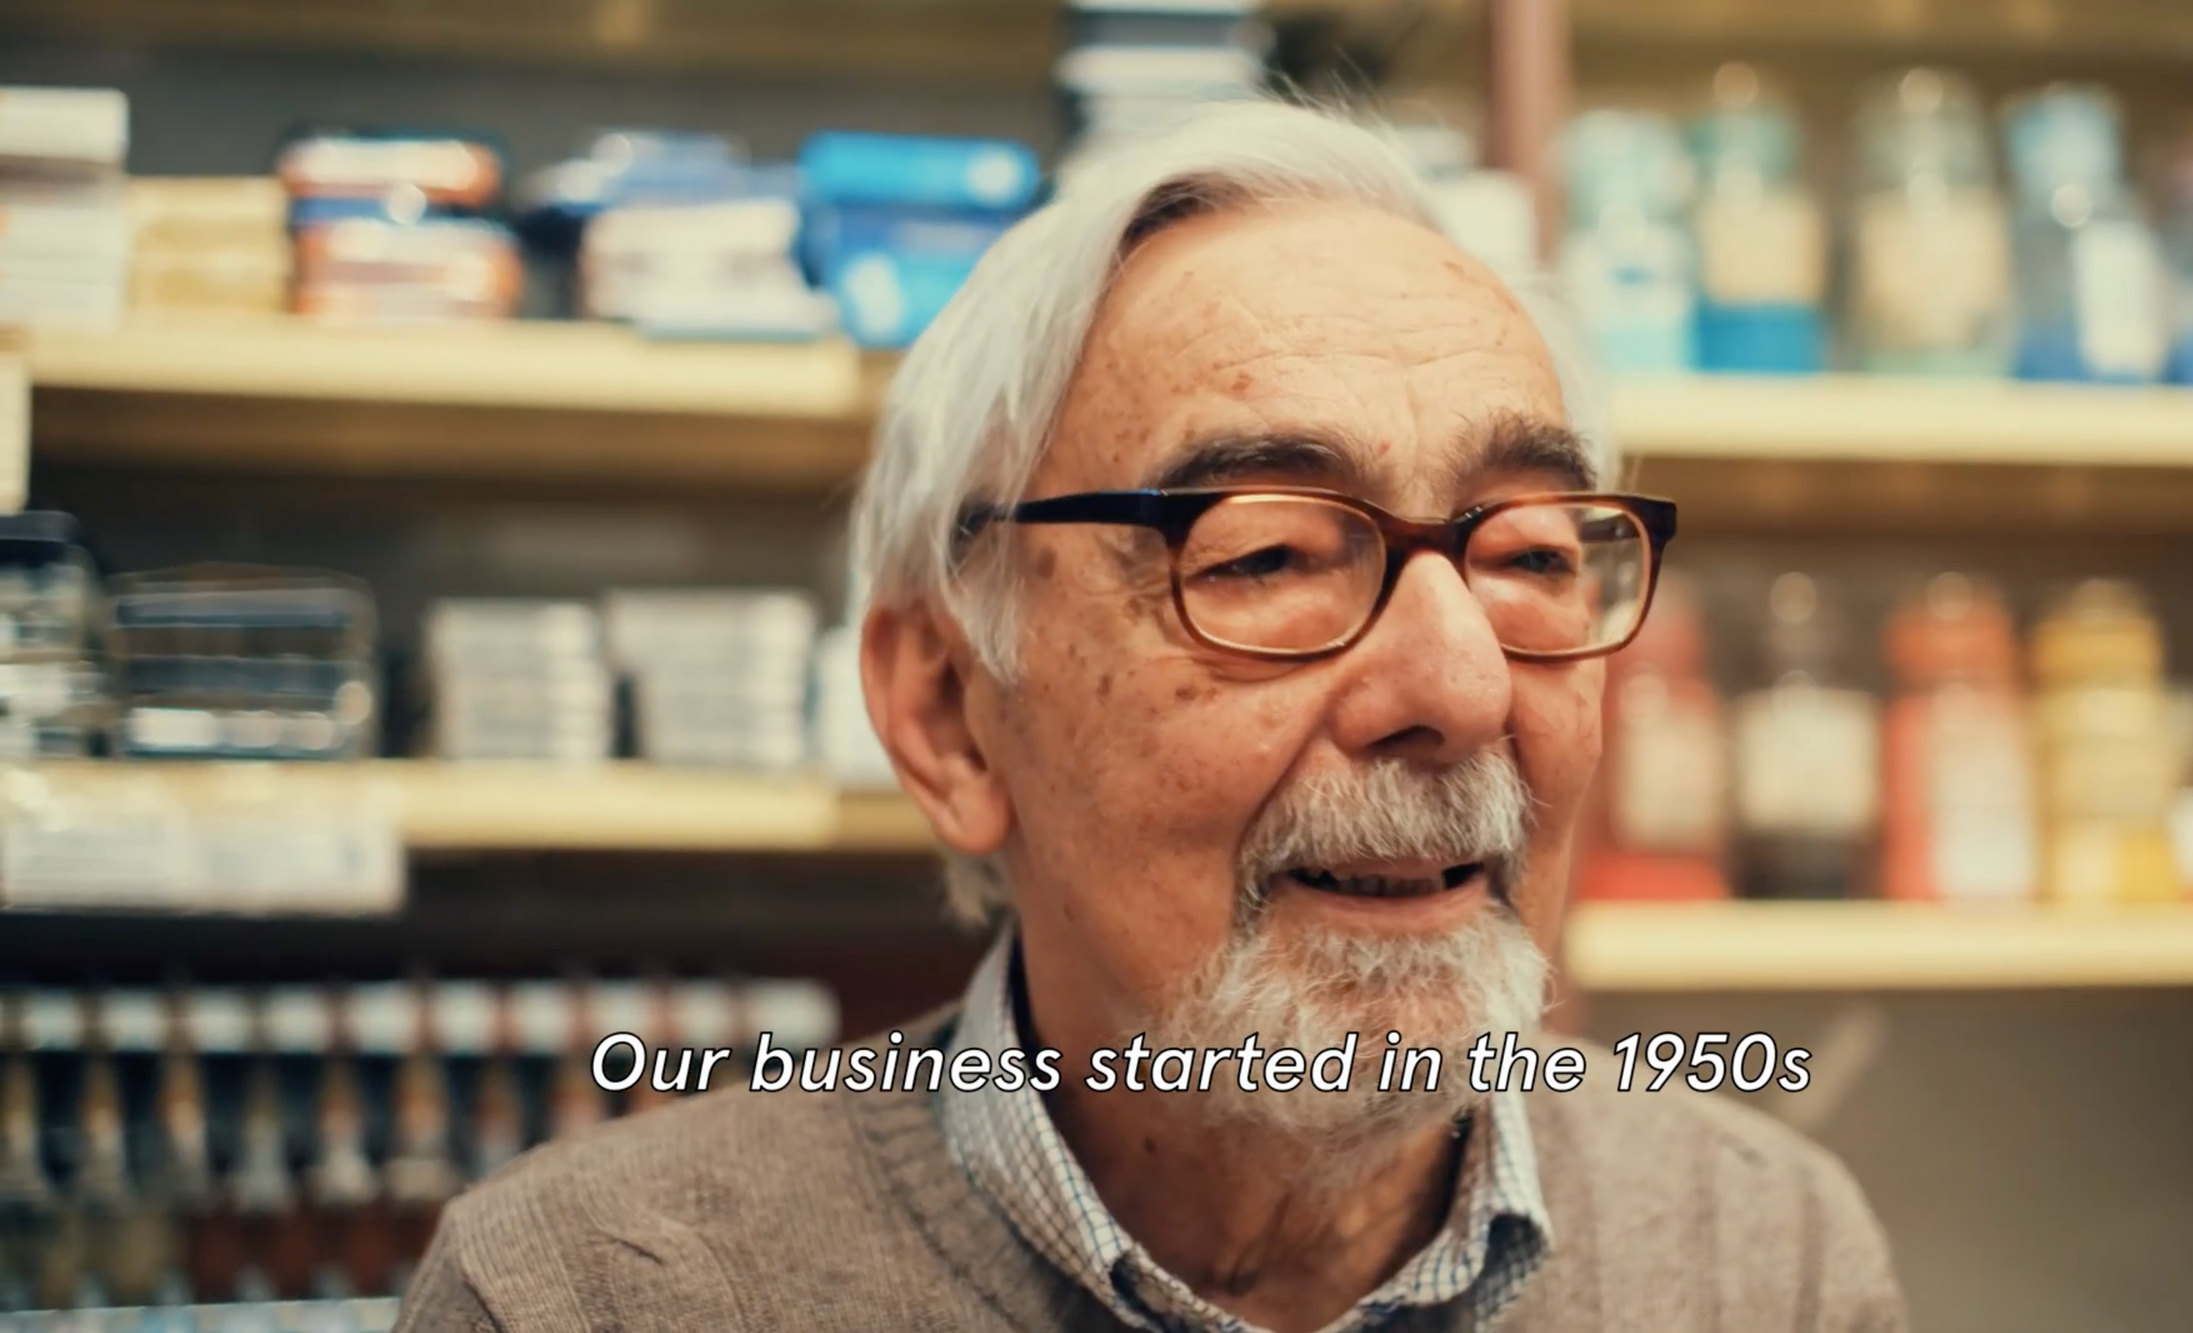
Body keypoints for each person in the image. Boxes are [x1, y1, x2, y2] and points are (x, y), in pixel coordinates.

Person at [397, 102, 1905, 1333]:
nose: (1457, 689)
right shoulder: (588, 1301)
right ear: (948, 718)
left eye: (1529, 560)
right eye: (1264, 557)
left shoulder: (1759, 1263)